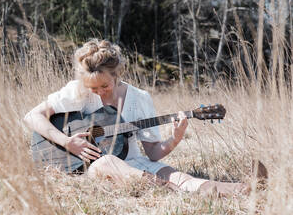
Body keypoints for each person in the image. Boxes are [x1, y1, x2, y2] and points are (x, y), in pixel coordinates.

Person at [23, 38, 250, 196]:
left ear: (117, 75)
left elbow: (152, 152)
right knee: (108, 162)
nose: (100, 92)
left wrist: (175, 138)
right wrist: (67, 142)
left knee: (180, 177)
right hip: (89, 167)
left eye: (105, 86)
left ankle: (243, 189)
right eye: (93, 88)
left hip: (134, 163)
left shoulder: (139, 98)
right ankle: (170, 191)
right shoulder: (76, 90)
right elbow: (33, 116)